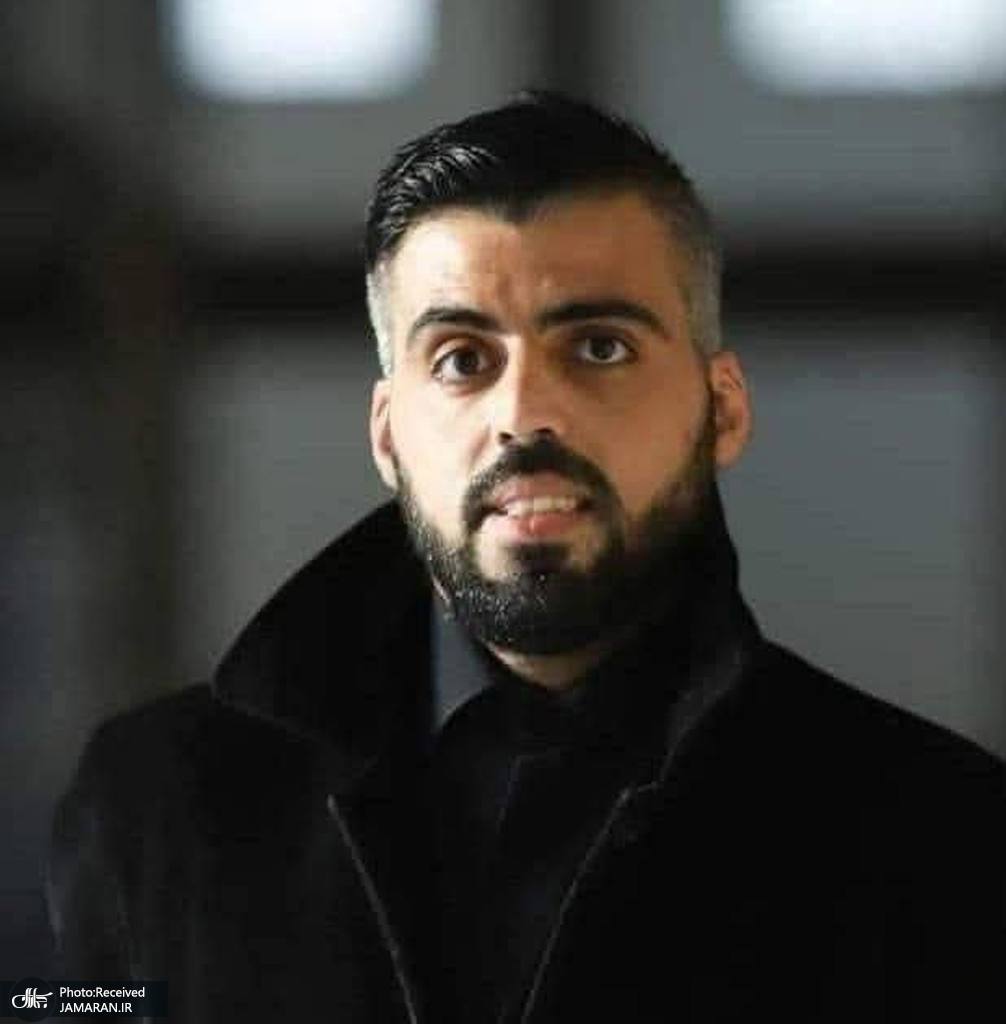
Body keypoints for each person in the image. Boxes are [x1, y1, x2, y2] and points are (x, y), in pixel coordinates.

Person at [48, 92, 1004, 1023]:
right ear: (387, 435)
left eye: (598, 347)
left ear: (724, 410)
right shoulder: (149, 810)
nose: (524, 413)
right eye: (462, 360)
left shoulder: (944, 838)